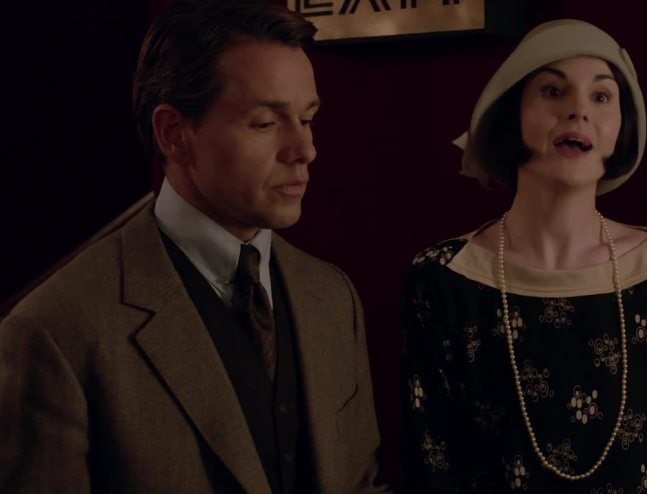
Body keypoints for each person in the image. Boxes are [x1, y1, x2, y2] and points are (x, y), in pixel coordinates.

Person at [0, 1, 388, 493]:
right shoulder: (55, 330)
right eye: (265, 123)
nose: (304, 150)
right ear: (174, 133)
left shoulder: (331, 296)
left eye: (307, 118)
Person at [401, 19, 647, 493]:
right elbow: (431, 465)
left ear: (621, 127)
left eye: (601, 96)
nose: (578, 111)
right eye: (553, 91)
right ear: (512, 113)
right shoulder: (443, 278)